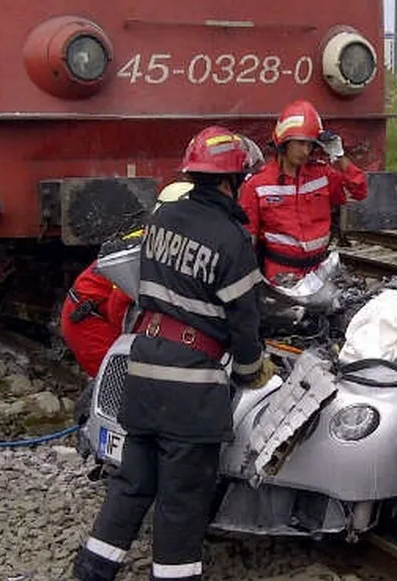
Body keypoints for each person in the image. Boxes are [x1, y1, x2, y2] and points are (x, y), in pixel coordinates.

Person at [72, 126, 277, 581]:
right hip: (191, 386)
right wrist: (250, 372)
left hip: (144, 368)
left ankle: (92, 568)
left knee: (132, 481)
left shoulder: (161, 220)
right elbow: (245, 325)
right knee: (183, 500)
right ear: (232, 180)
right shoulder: (232, 238)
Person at [60, 181, 194, 380]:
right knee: (122, 385)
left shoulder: (165, 238)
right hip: (89, 320)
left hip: (96, 310)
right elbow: (120, 307)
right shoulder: (139, 251)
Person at [238, 100, 368, 283]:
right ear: (284, 142)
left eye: (310, 144)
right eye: (300, 143)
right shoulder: (257, 184)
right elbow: (247, 240)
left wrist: (339, 157)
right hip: (280, 274)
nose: (306, 151)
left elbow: (359, 191)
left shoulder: (323, 175)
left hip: (320, 273)